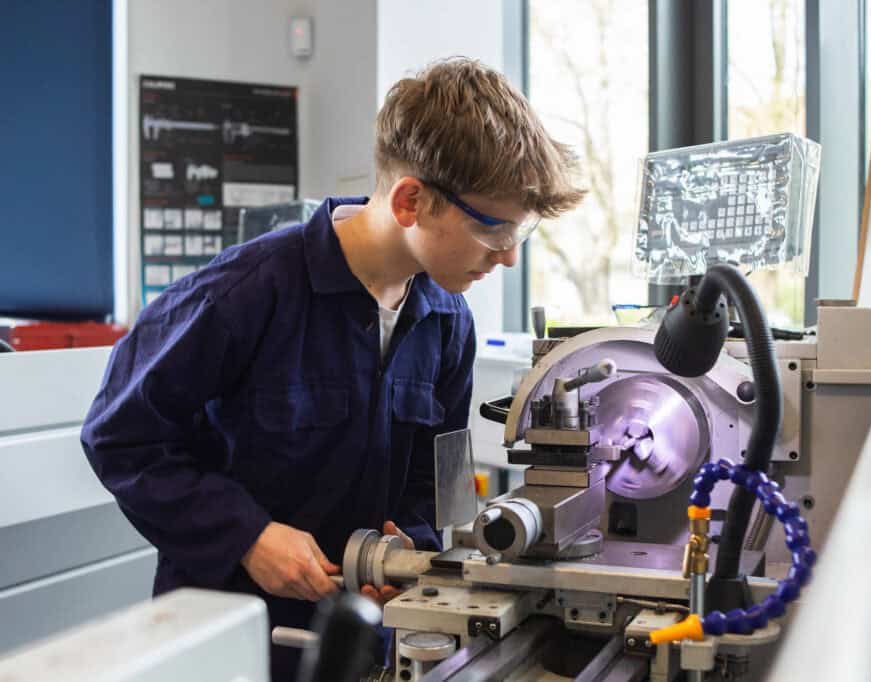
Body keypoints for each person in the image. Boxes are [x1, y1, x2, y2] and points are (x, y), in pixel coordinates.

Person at [81, 57, 585, 681]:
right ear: (411, 201)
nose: (509, 257)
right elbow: (119, 433)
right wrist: (248, 535)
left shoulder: (449, 323)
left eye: (523, 232)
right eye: (495, 229)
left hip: (365, 638)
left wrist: (411, 555)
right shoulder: (244, 293)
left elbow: (434, 485)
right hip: (234, 633)